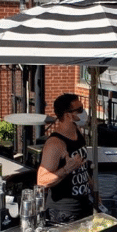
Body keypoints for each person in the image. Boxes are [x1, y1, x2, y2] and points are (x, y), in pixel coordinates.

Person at [37, 93, 93, 223]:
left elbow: (82, 168)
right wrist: (66, 169)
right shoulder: (55, 144)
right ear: (68, 115)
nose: (83, 112)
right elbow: (42, 180)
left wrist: (94, 191)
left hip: (83, 207)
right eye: (79, 110)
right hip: (63, 213)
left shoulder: (77, 132)